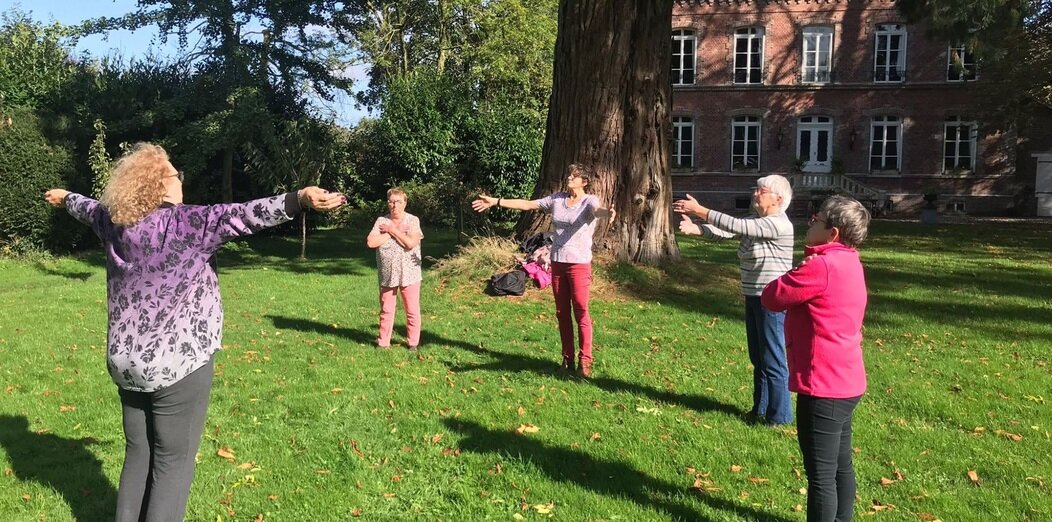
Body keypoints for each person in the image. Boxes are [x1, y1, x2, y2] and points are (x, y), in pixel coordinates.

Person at [43, 142, 344, 522]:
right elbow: (247, 215)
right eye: (175, 173)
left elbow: (86, 208)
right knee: (173, 462)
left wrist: (64, 195)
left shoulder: (113, 222)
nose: (180, 179)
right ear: (159, 185)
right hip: (177, 366)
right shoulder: (188, 224)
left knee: (139, 453)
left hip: (126, 363)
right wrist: (299, 198)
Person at [761, 195, 870, 522]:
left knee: (822, 476)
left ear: (832, 233)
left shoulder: (821, 266)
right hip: (848, 380)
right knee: (841, 465)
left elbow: (772, 297)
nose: (810, 221)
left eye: (817, 218)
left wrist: (799, 268)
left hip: (823, 386)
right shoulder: (851, 260)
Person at [471, 163, 615, 378]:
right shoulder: (557, 199)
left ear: (584, 182)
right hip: (557, 262)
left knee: (581, 310)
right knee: (562, 313)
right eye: (569, 174)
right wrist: (496, 202)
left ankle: (585, 361)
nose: (569, 178)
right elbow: (528, 205)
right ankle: (567, 359)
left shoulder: (588, 201)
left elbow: (597, 210)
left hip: (579, 264)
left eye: (574, 176)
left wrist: (607, 213)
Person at [674, 175, 794, 425]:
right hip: (753, 296)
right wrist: (698, 228)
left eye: (760, 191)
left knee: (773, 360)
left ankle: (780, 417)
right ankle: (759, 411)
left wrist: (700, 210)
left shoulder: (777, 224)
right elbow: (727, 231)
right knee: (758, 358)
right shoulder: (757, 220)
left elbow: (737, 226)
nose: (755, 194)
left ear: (777, 198)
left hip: (772, 300)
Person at [366, 187, 424, 351]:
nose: (394, 205)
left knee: (412, 309)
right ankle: (383, 342)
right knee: (386, 309)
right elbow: (371, 242)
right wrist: (394, 233)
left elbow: (410, 243)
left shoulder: (413, 220)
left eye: (398, 202)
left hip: (409, 272)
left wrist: (391, 230)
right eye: (391, 202)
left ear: (405, 203)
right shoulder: (381, 221)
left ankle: (413, 342)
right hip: (388, 273)